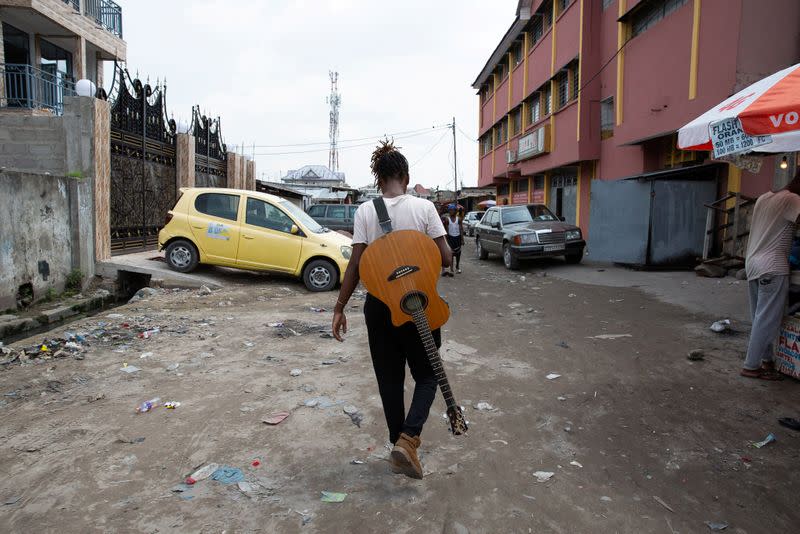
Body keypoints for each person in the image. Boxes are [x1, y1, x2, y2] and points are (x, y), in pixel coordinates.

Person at [331, 140, 452, 479]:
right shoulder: (424, 209)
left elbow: (356, 265)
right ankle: (409, 439)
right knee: (428, 374)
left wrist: (339, 307)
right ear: (405, 175)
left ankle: (398, 442)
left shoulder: (365, 212)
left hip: (380, 308)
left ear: (379, 179)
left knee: (389, 380)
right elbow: (445, 258)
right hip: (419, 305)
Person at [741, 171, 800, 380]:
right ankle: (751, 365)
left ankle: (766, 361)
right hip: (773, 266)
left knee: (760, 317)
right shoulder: (792, 200)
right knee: (767, 319)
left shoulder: (765, 197)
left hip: (753, 263)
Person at [441, 204, 464, 276]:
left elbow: (461, 229)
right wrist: (446, 238)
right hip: (450, 238)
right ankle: (451, 269)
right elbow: (446, 229)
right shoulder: (447, 219)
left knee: (458, 254)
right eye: (450, 210)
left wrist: (462, 239)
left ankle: (457, 266)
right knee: (451, 253)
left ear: (455, 211)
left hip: (457, 238)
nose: (451, 211)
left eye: (452, 210)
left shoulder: (459, 219)